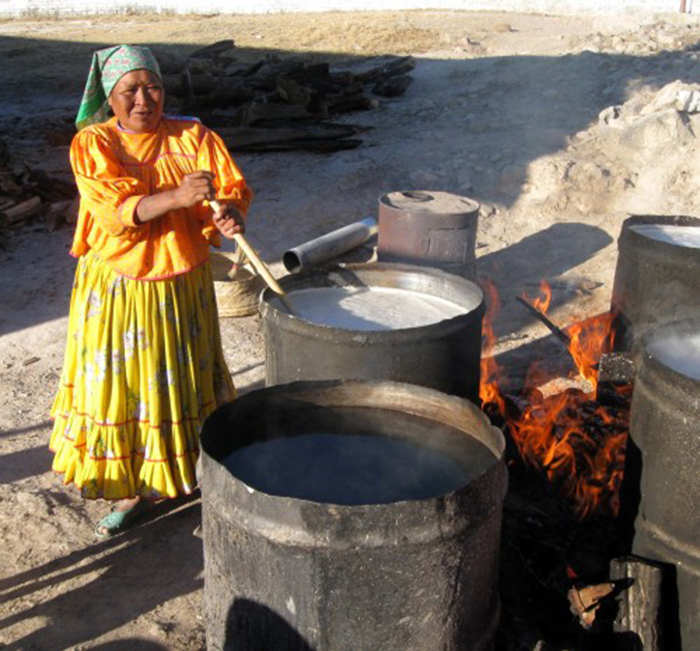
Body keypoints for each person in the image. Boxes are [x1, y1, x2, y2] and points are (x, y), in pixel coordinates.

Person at [48, 44, 253, 538]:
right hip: (121, 288)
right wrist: (180, 196)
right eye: (130, 90)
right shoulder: (94, 144)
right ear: (108, 97)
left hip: (183, 282)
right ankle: (131, 489)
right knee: (128, 387)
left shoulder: (194, 136)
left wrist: (228, 213)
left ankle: (191, 471)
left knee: (185, 377)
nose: (144, 99)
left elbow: (228, 189)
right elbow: (115, 211)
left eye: (153, 86)